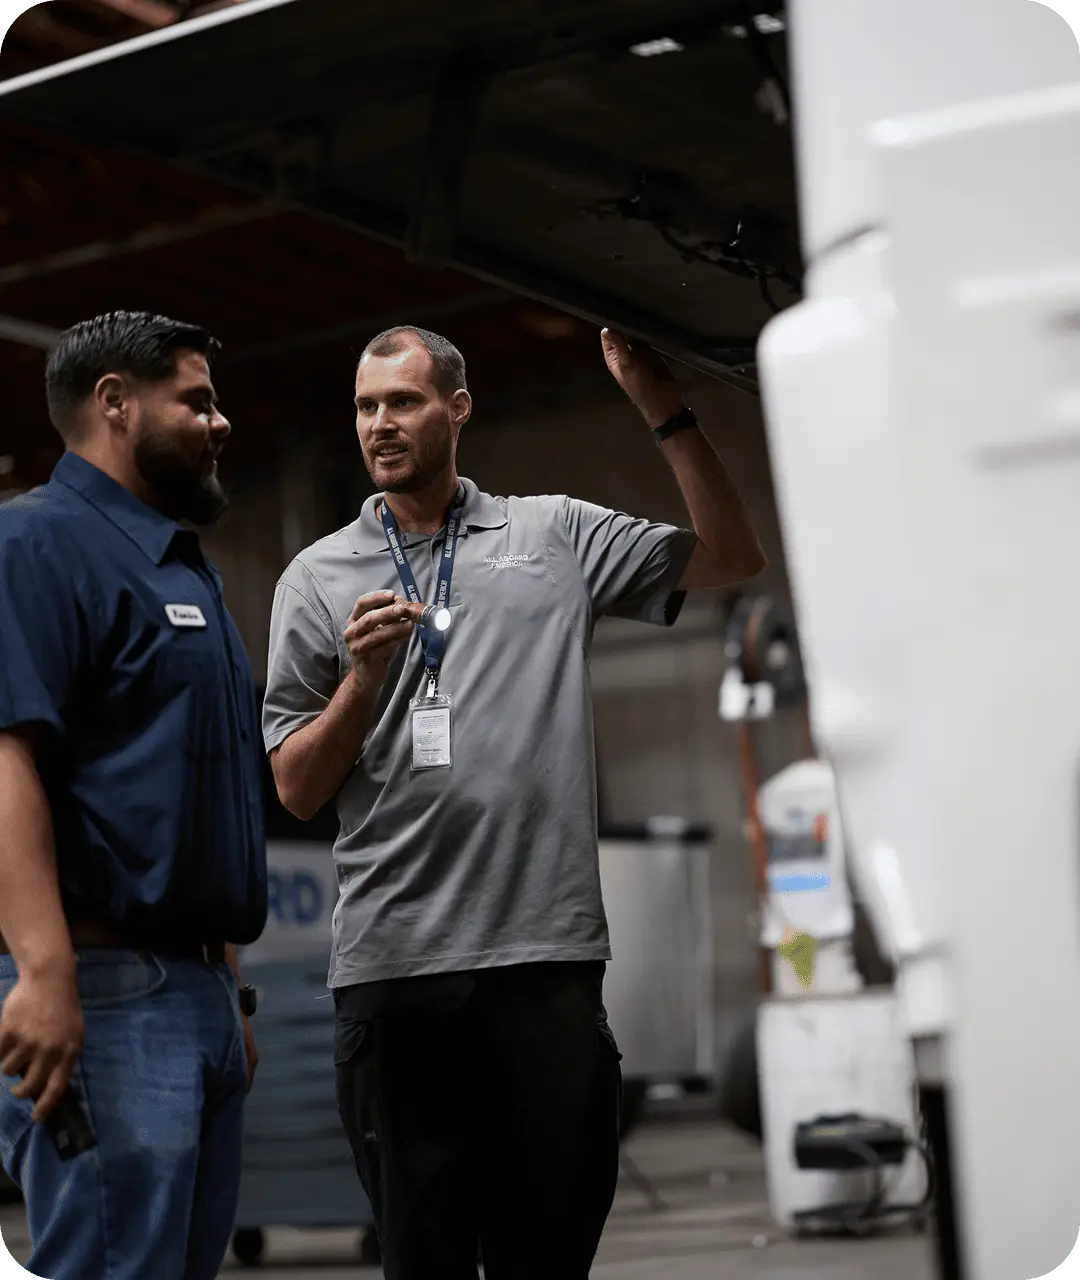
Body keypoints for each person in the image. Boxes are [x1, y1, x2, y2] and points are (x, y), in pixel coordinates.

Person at [262, 323, 765, 1279]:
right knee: (427, 1261)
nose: (380, 424)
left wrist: (665, 411)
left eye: (402, 402)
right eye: (366, 406)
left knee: (547, 1258)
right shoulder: (316, 579)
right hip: (396, 973)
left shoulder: (555, 534)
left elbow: (731, 555)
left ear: (457, 407)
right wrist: (361, 684)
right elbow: (295, 787)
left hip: (546, 965)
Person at [0, 311, 268, 1280]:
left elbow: (192, 797)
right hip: (102, 992)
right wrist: (41, 970)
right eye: (195, 400)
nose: (219, 420)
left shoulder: (173, 560)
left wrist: (224, 983)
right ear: (115, 402)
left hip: (192, 994)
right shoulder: (32, 546)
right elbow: (5, 759)